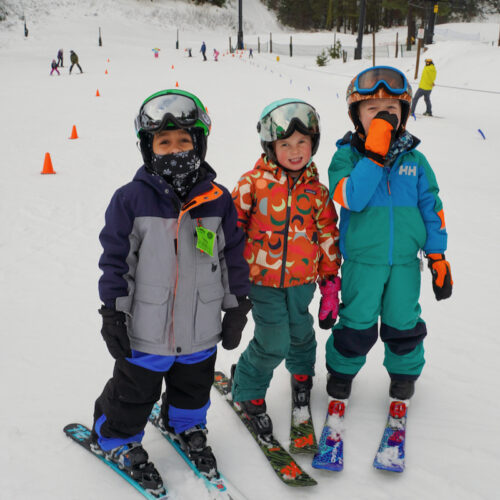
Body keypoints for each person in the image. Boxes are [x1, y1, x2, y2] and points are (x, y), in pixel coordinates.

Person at [90, 88, 251, 492]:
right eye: (164, 142)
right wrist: (113, 311)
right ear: (148, 147)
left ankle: (185, 426)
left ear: (200, 142)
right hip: (146, 330)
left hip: (200, 326)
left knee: (194, 389)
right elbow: (116, 261)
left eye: (184, 140)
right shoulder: (130, 200)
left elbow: (232, 257)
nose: (174, 149)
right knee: (133, 394)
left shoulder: (218, 200)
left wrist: (235, 308)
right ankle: (117, 438)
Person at [326, 66, 452, 409]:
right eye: (373, 110)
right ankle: (341, 372)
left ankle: (404, 376)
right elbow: (353, 196)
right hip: (362, 263)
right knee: (356, 324)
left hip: (405, 265)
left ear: (404, 117)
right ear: (356, 116)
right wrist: (374, 154)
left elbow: (432, 207)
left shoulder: (416, 160)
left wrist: (438, 256)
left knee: (403, 323)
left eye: (392, 111)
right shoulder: (345, 157)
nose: (383, 116)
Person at [230, 98, 341, 434]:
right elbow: (230, 227)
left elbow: (327, 237)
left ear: (313, 143)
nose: (295, 151)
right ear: (271, 146)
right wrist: (224, 273)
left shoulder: (318, 193)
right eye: (285, 144)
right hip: (261, 280)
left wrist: (331, 285)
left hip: (302, 281)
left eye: (302, 142)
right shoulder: (252, 183)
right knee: (273, 340)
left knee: (301, 332)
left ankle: (302, 373)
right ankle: (248, 389)